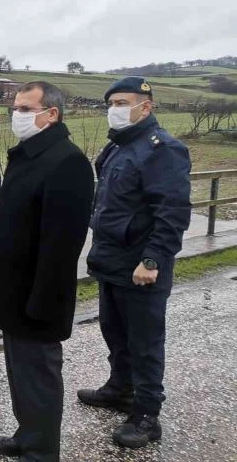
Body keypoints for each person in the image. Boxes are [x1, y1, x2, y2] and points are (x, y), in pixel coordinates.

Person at [0, 81, 95, 461]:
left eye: (25, 109)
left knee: (39, 377)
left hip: (37, 297)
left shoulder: (67, 161)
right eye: (17, 108)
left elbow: (62, 245)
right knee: (20, 374)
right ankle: (27, 436)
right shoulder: (29, 155)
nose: (17, 115)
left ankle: (41, 453)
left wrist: (42, 303)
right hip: (13, 291)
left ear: (51, 114)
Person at [78, 77, 191, 449]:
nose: (115, 109)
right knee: (114, 331)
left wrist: (153, 259)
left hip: (141, 265)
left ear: (147, 106)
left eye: (123, 102)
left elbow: (172, 212)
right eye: (111, 102)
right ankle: (120, 387)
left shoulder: (163, 150)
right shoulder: (118, 147)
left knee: (144, 341)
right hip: (111, 259)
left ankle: (147, 415)